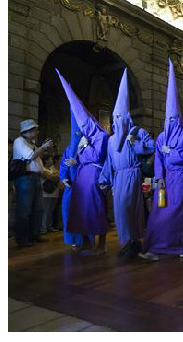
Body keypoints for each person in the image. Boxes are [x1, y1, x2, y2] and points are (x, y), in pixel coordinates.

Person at [140, 60, 183, 260]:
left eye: (173, 119)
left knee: (179, 210)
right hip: (165, 179)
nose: (170, 122)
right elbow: (158, 160)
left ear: (178, 118)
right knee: (160, 211)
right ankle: (156, 248)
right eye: (168, 119)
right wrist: (158, 178)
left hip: (180, 177)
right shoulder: (162, 136)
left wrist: (170, 152)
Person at [57, 70, 110, 255]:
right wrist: (82, 151)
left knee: (96, 209)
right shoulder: (85, 139)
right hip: (82, 177)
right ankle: (87, 242)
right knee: (83, 210)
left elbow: (96, 156)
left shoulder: (101, 135)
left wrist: (84, 150)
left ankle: (101, 245)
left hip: (95, 175)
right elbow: (76, 157)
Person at [107, 69, 154, 257]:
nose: (118, 121)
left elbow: (151, 147)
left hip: (133, 175)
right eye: (115, 118)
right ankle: (126, 242)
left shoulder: (137, 132)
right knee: (119, 211)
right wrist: (109, 180)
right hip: (118, 177)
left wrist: (137, 144)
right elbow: (109, 162)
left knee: (129, 208)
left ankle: (134, 240)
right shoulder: (111, 140)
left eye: (121, 117)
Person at [12, 118, 55, 247]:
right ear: (27, 131)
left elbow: (37, 160)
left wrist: (44, 148)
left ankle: (34, 234)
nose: (36, 131)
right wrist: (44, 147)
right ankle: (23, 238)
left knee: (38, 208)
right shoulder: (19, 141)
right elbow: (30, 156)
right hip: (25, 178)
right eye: (34, 129)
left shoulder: (32, 143)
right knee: (24, 210)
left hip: (35, 177)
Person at [57, 113, 85, 249]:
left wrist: (78, 161)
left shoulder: (87, 147)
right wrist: (63, 177)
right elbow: (63, 164)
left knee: (84, 213)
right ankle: (73, 239)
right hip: (70, 187)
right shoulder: (69, 149)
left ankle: (85, 240)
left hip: (84, 187)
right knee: (68, 212)